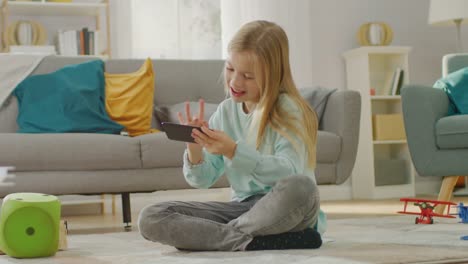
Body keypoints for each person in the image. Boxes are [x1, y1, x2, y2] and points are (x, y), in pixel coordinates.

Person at [138, 20, 326, 251]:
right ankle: (250, 241)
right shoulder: (226, 111)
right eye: (230, 69)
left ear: (272, 75)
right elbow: (203, 179)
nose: (235, 81)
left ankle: (219, 237)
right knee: (153, 216)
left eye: (248, 76)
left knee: (301, 186)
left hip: (289, 208)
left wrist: (234, 151)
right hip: (244, 211)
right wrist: (194, 148)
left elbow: (289, 173)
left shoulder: (288, 109)